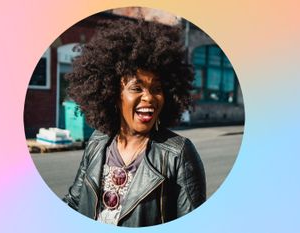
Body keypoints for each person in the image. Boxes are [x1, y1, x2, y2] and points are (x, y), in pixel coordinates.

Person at [63, 18, 206, 227]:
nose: (149, 97)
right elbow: (75, 202)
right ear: (113, 94)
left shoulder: (178, 154)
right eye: (136, 88)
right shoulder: (97, 142)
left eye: (156, 89)